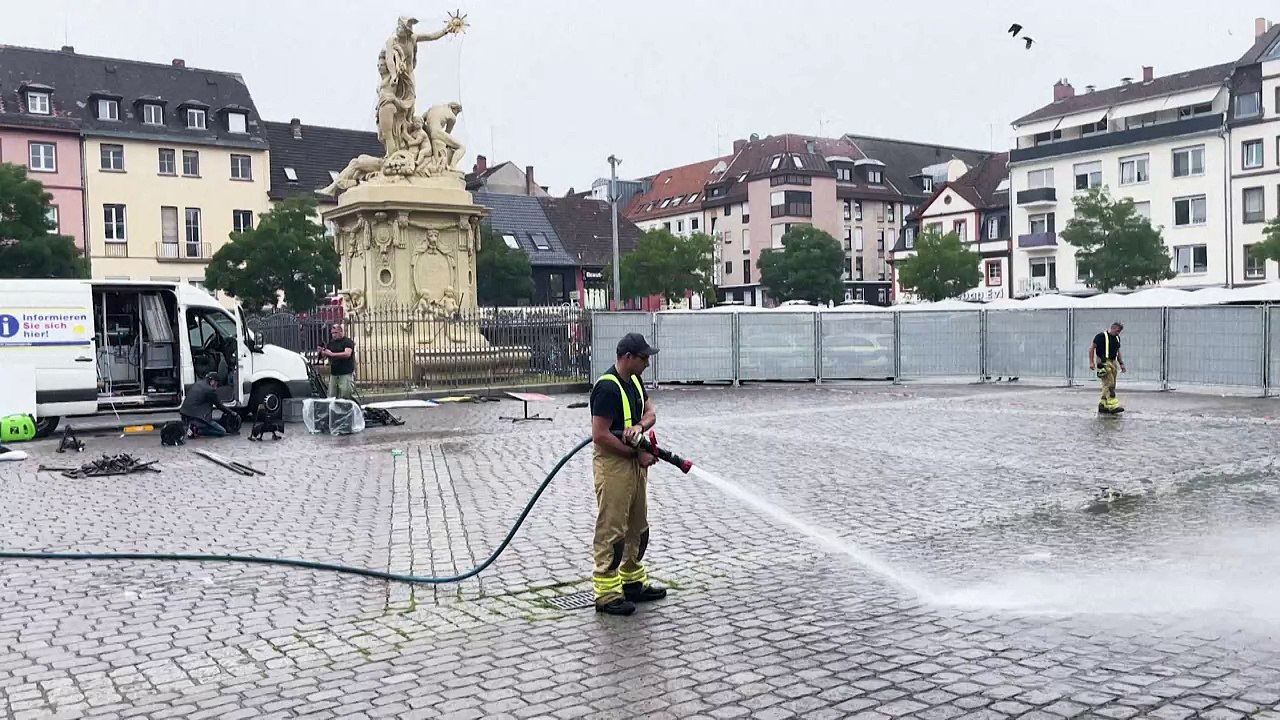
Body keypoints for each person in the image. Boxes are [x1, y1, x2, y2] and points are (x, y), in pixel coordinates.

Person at [589, 332, 668, 616]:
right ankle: (607, 594)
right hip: (613, 466)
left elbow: (650, 412)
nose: (648, 363)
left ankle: (633, 581)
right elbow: (599, 436)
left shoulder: (634, 380)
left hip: (635, 464)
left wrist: (640, 427)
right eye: (644, 358)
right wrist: (636, 453)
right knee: (613, 530)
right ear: (628, 358)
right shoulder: (607, 388)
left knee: (637, 526)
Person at [180, 372, 235, 437]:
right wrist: (232, 412)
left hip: (185, 414)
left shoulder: (197, 383)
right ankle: (196, 430)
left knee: (214, 425)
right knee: (222, 431)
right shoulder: (209, 390)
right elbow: (219, 405)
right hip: (197, 417)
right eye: (216, 384)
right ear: (213, 381)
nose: (216, 386)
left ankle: (193, 427)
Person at [1088, 322, 1126, 414]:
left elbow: (1118, 351)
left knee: (1108, 384)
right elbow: (1091, 348)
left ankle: (1103, 404)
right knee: (1110, 383)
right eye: (1117, 331)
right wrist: (1091, 362)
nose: (1118, 333)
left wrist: (1121, 363)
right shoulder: (1101, 336)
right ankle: (1113, 406)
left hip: (1113, 362)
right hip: (1103, 362)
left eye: (1119, 332)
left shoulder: (1117, 338)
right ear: (1112, 328)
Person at [319, 324, 356, 400]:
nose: (334, 335)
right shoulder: (331, 343)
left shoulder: (347, 341)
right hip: (334, 373)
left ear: (341, 332)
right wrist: (322, 352)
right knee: (331, 395)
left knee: (345, 395)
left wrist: (332, 354)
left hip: (345, 372)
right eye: (332, 333)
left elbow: (347, 354)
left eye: (336, 332)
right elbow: (325, 356)